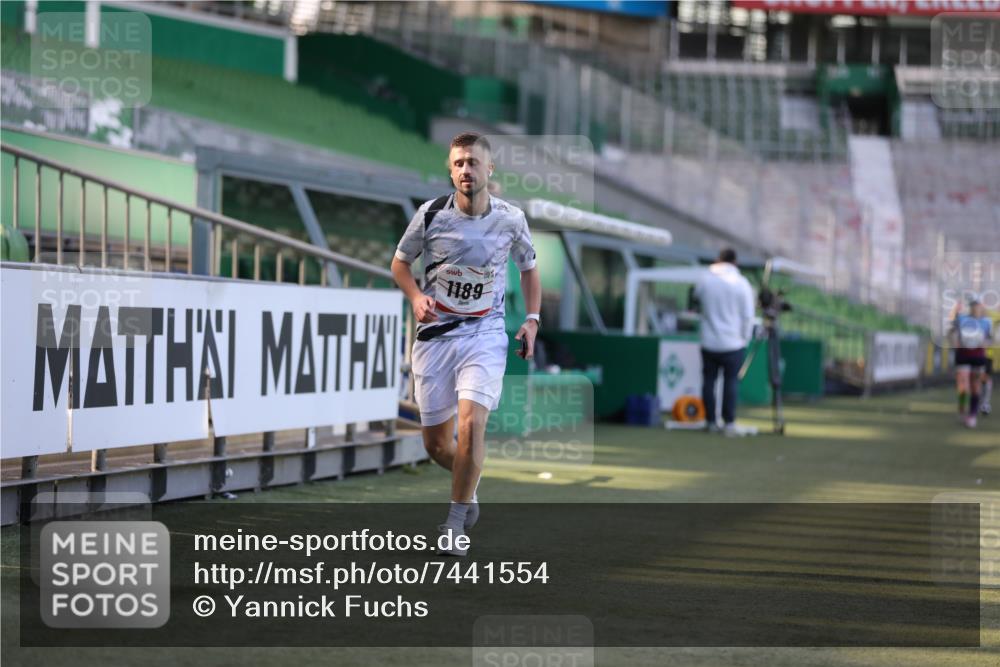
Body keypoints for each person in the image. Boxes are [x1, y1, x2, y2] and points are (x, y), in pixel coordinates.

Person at [391, 132, 541, 556]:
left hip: (485, 334)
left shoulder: (511, 218)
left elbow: (529, 269)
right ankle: (469, 487)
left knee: (472, 423)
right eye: (458, 163)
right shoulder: (431, 214)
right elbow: (400, 264)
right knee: (437, 445)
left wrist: (532, 319)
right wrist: (417, 297)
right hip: (436, 337)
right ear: (450, 169)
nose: (465, 170)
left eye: (473, 162)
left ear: (489, 169)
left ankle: (454, 522)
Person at [692, 248, 755, 436]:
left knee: (709, 381)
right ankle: (729, 423)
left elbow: (696, 298)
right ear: (735, 262)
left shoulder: (705, 279)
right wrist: (745, 338)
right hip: (733, 343)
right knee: (731, 382)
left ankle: (710, 421)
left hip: (709, 341)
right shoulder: (741, 283)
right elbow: (748, 316)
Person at [950, 299, 993, 428]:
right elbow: (953, 331)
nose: (976, 308)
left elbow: (990, 338)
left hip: (978, 356)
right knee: (963, 385)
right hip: (963, 355)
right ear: (970, 307)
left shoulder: (986, 322)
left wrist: (985, 343)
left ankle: (972, 414)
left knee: (975, 385)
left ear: (981, 307)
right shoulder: (962, 319)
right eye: (973, 306)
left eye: (978, 306)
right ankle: (962, 408)